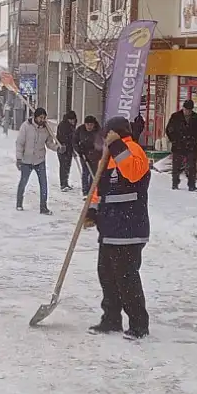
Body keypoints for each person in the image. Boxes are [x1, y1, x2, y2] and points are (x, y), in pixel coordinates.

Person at [86, 116, 151, 339]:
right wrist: (92, 210)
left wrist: (116, 146)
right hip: (109, 228)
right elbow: (98, 189)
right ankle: (111, 318)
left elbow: (133, 173)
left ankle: (139, 323)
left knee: (126, 278)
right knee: (107, 275)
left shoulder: (134, 151)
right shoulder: (108, 157)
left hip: (130, 227)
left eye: (108, 135)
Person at [15, 107, 62, 214]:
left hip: (39, 160)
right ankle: (19, 203)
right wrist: (18, 158)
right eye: (41, 117)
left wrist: (58, 148)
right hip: (26, 160)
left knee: (43, 184)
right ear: (35, 117)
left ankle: (43, 207)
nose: (42, 120)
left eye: (44, 118)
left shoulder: (46, 129)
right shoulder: (26, 127)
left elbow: (49, 143)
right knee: (23, 182)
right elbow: (20, 143)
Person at [165, 99, 197, 192]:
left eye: (189, 110)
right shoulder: (175, 116)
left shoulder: (196, 118)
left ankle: (192, 185)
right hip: (178, 145)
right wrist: (174, 141)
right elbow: (169, 130)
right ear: (183, 108)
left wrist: (195, 141)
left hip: (191, 146)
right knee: (176, 166)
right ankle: (175, 183)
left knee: (192, 166)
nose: (187, 112)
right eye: (186, 109)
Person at [74, 115, 103, 195]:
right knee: (85, 172)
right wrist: (78, 150)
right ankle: (85, 191)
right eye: (87, 124)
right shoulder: (80, 129)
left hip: (94, 155)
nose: (89, 127)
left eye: (91, 125)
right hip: (83, 153)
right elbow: (75, 141)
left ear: (94, 125)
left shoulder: (98, 131)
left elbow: (100, 145)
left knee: (93, 173)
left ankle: (92, 191)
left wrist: (95, 153)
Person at [55, 110, 78, 191]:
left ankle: (66, 182)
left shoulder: (72, 126)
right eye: (71, 119)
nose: (72, 121)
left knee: (68, 166)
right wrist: (62, 145)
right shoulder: (62, 125)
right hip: (62, 148)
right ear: (67, 119)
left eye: (73, 119)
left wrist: (73, 150)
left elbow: (73, 139)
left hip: (69, 149)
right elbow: (60, 137)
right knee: (63, 166)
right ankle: (63, 184)